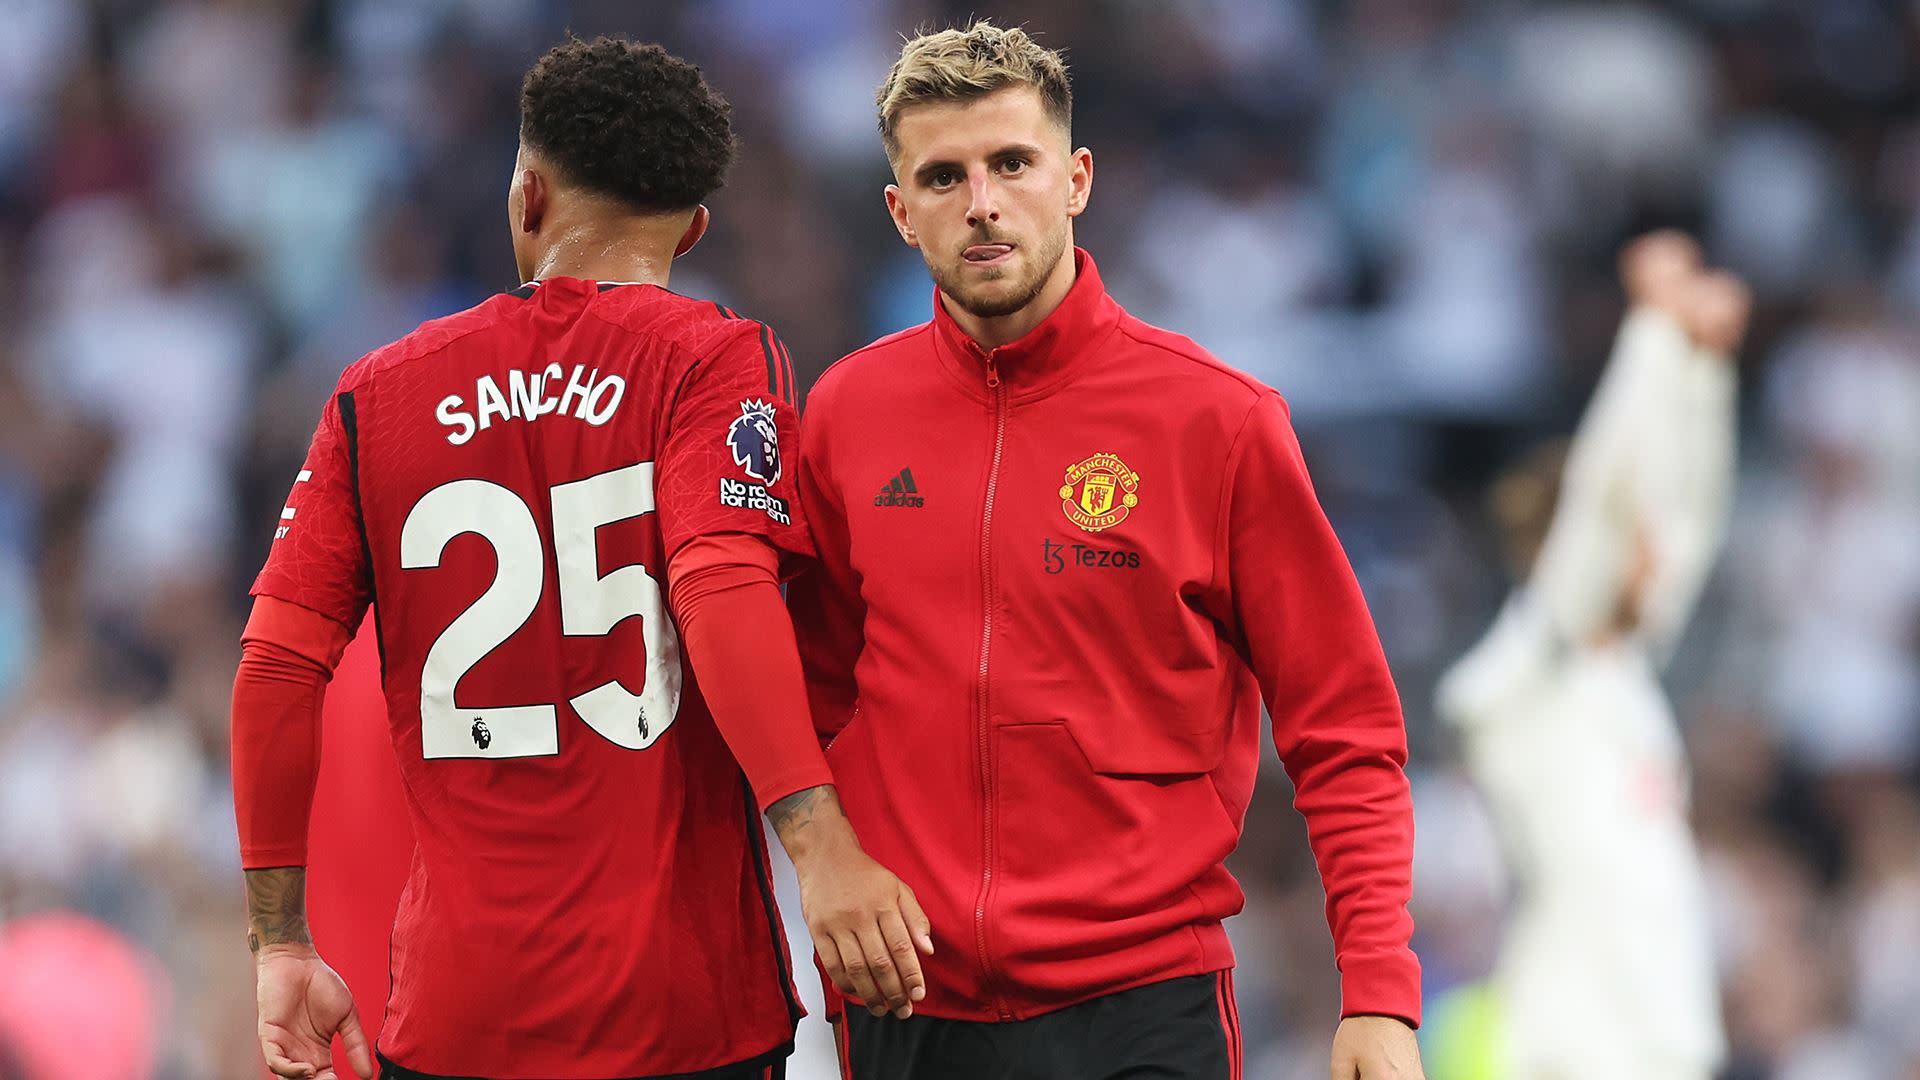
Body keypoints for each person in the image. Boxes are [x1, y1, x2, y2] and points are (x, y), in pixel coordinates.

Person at [229, 37, 928, 1080]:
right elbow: (722, 586)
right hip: (681, 1012)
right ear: (693, 228)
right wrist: (819, 845)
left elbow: (276, 668)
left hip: (458, 1017)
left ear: (528, 196)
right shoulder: (715, 359)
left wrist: (279, 939)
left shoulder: (376, 395)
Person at [788, 21, 1424, 1080]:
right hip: (909, 1011)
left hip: (1140, 1010)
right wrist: (825, 856)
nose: (981, 202)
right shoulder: (847, 414)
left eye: (1011, 164)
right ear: (900, 212)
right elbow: (807, 695)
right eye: (943, 177)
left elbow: (1344, 726)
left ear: (1076, 179)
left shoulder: (1215, 422)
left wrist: (1380, 996)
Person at [1437, 232, 1745, 1080]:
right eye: (1631, 542)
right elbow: (1607, 495)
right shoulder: (1531, 672)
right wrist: (1651, 335)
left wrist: (1704, 371)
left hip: (1660, 1034)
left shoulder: (1616, 671)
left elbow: (1692, 528)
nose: (1654, 554)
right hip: (1576, 1043)